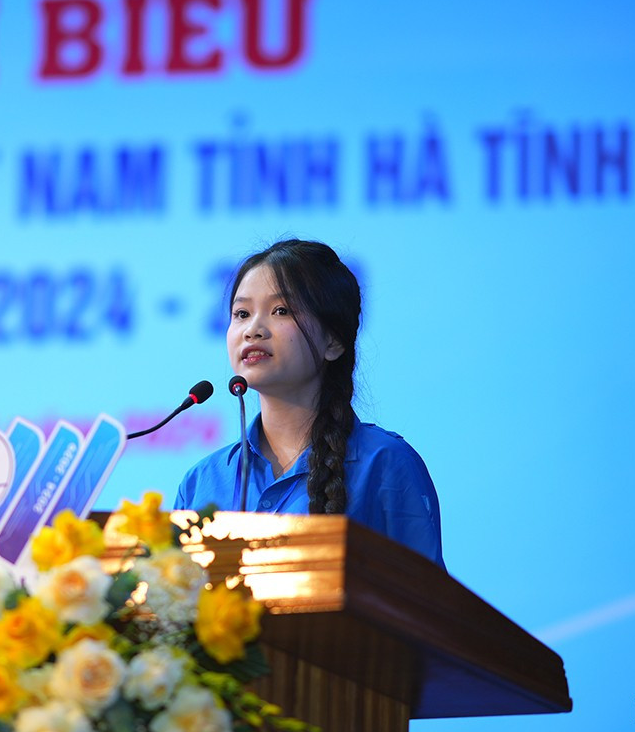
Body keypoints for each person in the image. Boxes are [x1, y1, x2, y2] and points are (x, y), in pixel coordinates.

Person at [175, 239, 445, 567]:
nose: (253, 330)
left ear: (333, 341)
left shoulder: (384, 463)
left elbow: (422, 593)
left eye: (281, 311)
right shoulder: (202, 481)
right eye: (242, 314)